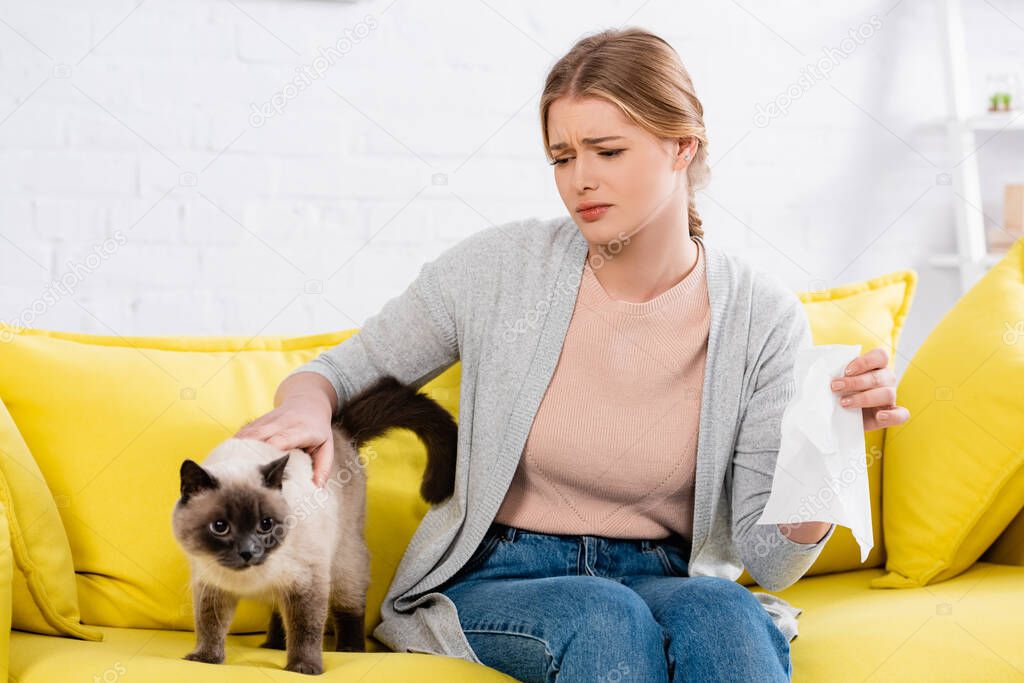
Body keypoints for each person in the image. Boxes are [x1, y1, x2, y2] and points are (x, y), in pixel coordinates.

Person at [235, 26, 909, 682]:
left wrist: (826, 452)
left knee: (726, 612)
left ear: (681, 146)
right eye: (563, 157)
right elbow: (336, 372)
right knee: (604, 613)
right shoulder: (497, 270)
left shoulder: (763, 319)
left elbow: (772, 560)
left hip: (666, 574)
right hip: (502, 574)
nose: (579, 179)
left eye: (607, 151)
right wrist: (305, 408)